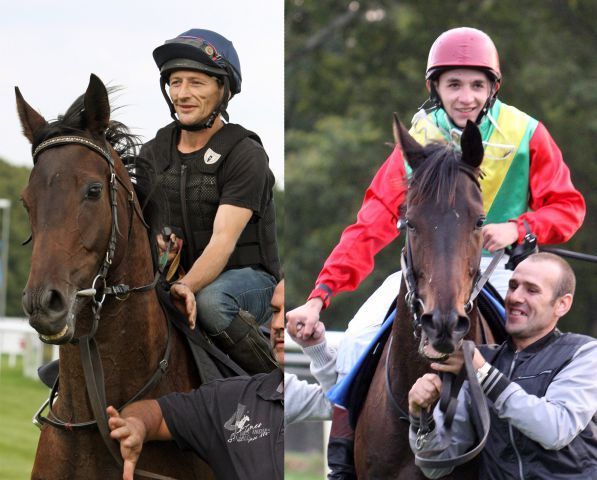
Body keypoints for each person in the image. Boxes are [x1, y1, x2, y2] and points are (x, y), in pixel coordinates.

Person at [286, 27, 586, 478]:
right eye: (454, 84)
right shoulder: (418, 136)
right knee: (357, 339)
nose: (465, 97)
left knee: (531, 346)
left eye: (476, 85)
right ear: (436, 87)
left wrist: (517, 227)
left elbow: (568, 207)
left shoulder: (527, 133)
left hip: (501, 266)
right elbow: (373, 220)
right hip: (426, 264)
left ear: (492, 88)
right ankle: (343, 460)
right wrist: (321, 294)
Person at [138, 28, 280, 375]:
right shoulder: (153, 154)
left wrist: (185, 286)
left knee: (211, 302)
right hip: (177, 279)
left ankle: (272, 385)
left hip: (248, 281)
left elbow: (222, 241)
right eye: (175, 82)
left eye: (196, 83)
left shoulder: (245, 153)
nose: (182, 94)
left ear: (223, 89)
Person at [408, 252, 597, 479]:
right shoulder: (480, 360)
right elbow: (435, 466)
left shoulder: (584, 353)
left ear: (562, 304)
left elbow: (555, 430)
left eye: (532, 290)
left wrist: (482, 373)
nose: (515, 297)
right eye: (513, 286)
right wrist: (421, 418)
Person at [107, 280, 286, 480]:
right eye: (276, 312)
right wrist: (136, 425)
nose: (278, 324)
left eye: (288, 314)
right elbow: (156, 414)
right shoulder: (229, 400)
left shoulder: (323, 402)